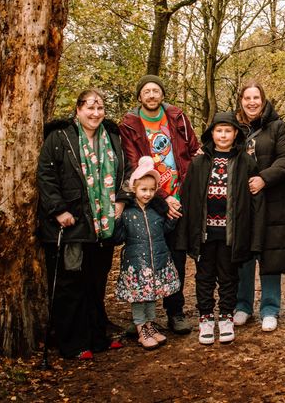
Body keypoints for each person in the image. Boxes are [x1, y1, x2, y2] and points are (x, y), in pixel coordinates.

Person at [37, 89, 131, 360]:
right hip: (71, 222)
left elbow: (125, 171)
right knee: (71, 283)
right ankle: (73, 343)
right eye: (90, 107)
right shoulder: (60, 137)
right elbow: (46, 175)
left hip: (103, 224)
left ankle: (96, 336)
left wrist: (122, 200)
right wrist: (58, 210)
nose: (95, 113)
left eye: (100, 107)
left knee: (95, 282)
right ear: (78, 110)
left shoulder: (112, 138)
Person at [175, 112, 265, 345]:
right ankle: (205, 317)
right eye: (219, 130)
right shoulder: (199, 162)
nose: (223, 135)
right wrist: (186, 234)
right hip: (204, 233)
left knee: (228, 276)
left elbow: (255, 201)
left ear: (235, 134)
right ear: (211, 134)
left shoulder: (246, 161)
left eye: (228, 131)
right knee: (204, 276)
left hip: (231, 233)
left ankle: (226, 315)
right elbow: (188, 197)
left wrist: (253, 237)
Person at [119, 74, 200, 335]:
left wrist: (183, 195)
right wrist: (163, 198)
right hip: (149, 198)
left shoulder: (176, 117)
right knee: (145, 256)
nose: (151, 95)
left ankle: (175, 312)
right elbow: (132, 163)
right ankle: (143, 318)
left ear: (162, 94)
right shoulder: (131, 124)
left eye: (156, 90)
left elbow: (193, 149)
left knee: (175, 255)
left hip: (181, 194)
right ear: (139, 96)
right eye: (146, 91)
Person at [233, 81, 285, 332]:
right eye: (247, 98)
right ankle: (242, 306)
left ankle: (270, 309)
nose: (252, 102)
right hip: (242, 202)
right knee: (243, 253)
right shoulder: (233, 126)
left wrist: (264, 178)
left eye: (256, 98)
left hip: (272, 200)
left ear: (263, 100)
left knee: (270, 254)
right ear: (241, 100)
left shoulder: (278, 127)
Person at [113, 156, 180, 350]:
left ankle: (150, 325)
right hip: (136, 264)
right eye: (143, 189)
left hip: (157, 260)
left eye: (152, 190)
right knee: (139, 297)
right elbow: (118, 238)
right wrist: (116, 219)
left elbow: (165, 230)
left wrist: (173, 218)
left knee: (151, 295)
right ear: (134, 188)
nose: (148, 194)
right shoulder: (127, 212)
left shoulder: (156, 211)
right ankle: (140, 327)